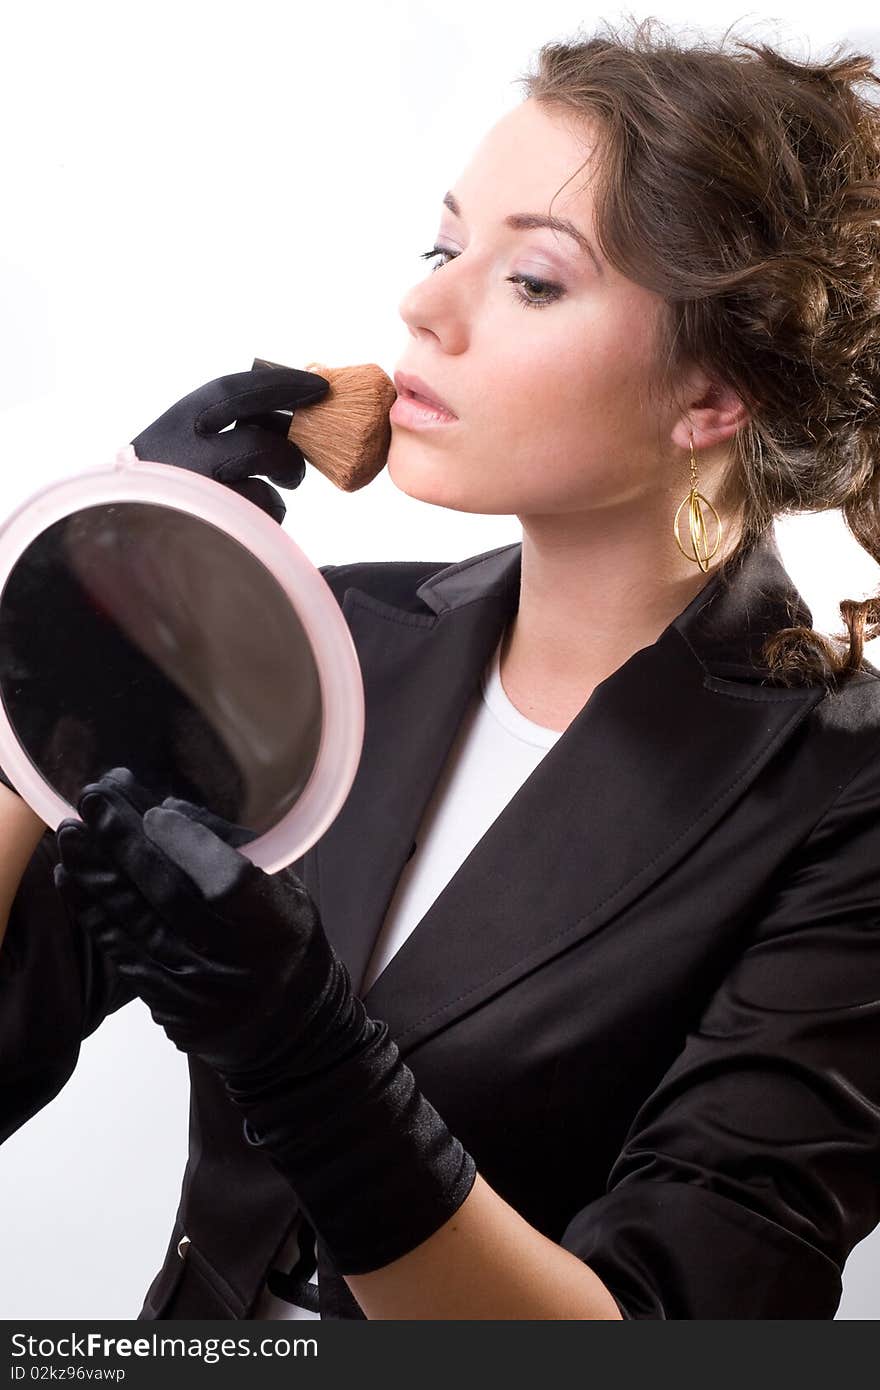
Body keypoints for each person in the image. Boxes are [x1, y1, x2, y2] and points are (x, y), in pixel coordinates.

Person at [3, 18, 880, 1320]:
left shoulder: (840, 798)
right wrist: (66, 623)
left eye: (531, 278)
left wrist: (298, 1052)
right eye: (442, 245)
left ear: (710, 397)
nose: (422, 306)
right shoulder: (321, 641)